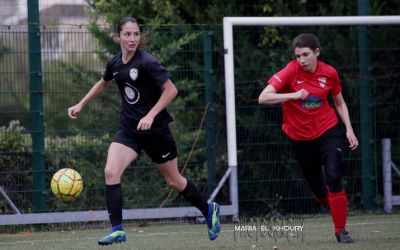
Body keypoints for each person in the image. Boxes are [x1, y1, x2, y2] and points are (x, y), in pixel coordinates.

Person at [67, 16, 220, 245]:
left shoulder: (147, 62)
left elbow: (171, 90)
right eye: (127, 34)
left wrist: (150, 115)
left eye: (136, 34)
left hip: (156, 132)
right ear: (117, 37)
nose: (132, 39)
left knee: (174, 181)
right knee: (111, 171)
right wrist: (81, 103)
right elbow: (103, 82)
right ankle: (117, 229)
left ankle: (208, 209)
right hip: (129, 131)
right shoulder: (115, 63)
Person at [258, 33, 358, 243]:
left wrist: (349, 129)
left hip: (328, 131)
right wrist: (292, 95)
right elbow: (263, 97)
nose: (301, 60)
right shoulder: (290, 71)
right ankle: (336, 204)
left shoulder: (330, 73)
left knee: (333, 175)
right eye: (298, 56)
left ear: (317, 53)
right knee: (321, 193)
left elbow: (339, 102)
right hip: (301, 140)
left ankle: (341, 230)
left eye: (305, 55)